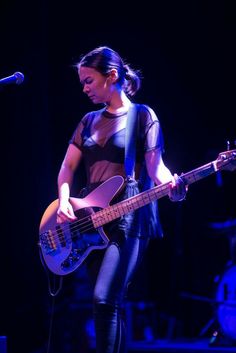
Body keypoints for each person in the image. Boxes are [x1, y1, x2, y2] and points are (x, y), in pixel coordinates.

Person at [56, 46, 187, 353]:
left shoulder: (142, 116)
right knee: (108, 304)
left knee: (104, 300)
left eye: (89, 81)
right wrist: (63, 200)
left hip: (130, 217)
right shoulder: (88, 121)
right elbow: (66, 169)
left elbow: (157, 169)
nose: (84, 88)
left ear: (111, 76)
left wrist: (173, 185)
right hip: (91, 221)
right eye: (82, 83)